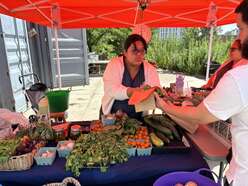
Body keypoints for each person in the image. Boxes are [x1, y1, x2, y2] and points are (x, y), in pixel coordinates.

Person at [154, 1, 248, 186]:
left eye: (241, 28)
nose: (239, 36)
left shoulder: (240, 76)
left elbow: (198, 117)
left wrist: (165, 106)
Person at [101, 34, 161, 120]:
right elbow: (111, 89)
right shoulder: (114, 64)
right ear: (125, 52)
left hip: (139, 119)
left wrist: (158, 93)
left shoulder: (150, 69)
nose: (139, 54)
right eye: (134, 51)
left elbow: (156, 89)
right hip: (112, 117)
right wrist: (134, 91)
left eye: (142, 51)